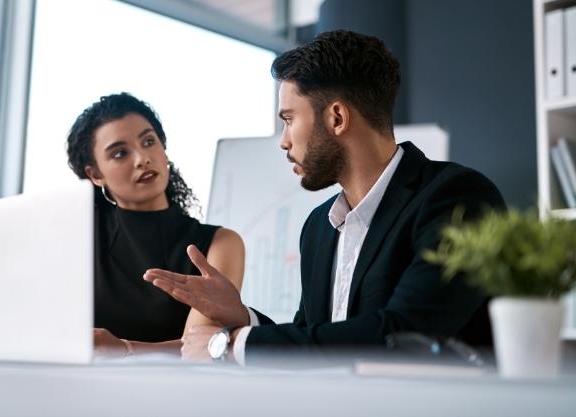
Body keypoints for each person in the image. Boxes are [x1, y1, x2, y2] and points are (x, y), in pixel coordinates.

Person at [144, 30, 506, 364]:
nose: (284, 141)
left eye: (288, 119)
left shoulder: (457, 199)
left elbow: (406, 334)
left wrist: (234, 346)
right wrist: (242, 317)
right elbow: (314, 335)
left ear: (336, 118)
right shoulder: (319, 227)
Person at [66, 93, 247, 358]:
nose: (142, 158)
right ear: (95, 175)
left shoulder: (220, 243)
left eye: (149, 142)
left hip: (182, 394)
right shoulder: (77, 240)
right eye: (120, 153)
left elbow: (201, 349)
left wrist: (124, 350)